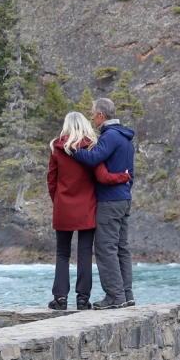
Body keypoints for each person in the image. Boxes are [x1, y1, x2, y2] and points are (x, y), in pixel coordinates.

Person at [46, 112, 130, 311]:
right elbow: (102, 176)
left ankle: (60, 299)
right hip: (87, 207)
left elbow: (51, 180)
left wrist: (58, 202)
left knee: (62, 253)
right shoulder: (91, 145)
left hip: (63, 207)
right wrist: (124, 177)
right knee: (84, 253)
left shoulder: (57, 146)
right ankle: (83, 299)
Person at [70, 98, 136, 310]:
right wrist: (124, 188)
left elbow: (93, 159)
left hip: (109, 200)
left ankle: (115, 297)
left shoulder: (110, 136)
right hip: (124, 199)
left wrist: (72, 150)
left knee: (105, 248)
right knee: (121, 248)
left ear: (101, 115)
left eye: (92, 113)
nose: (91, 116)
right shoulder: (126, 139)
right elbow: (130, 174)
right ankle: (126, 294)